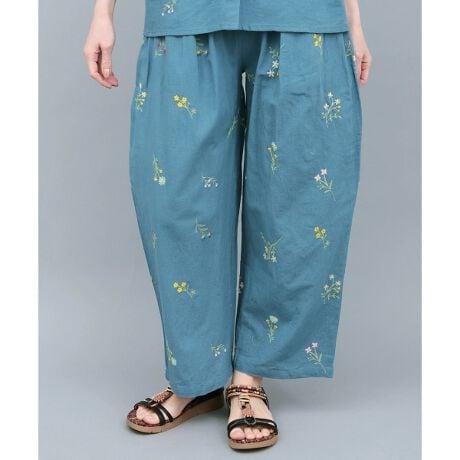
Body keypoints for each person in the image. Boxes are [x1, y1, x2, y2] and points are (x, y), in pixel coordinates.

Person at [84, 0, 372, 451]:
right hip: (185, 11)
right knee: (177, 199)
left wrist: (353, 20)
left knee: (297, 201)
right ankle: (196, 374)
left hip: (302, 12)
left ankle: (248, 377)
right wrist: (102, 13)